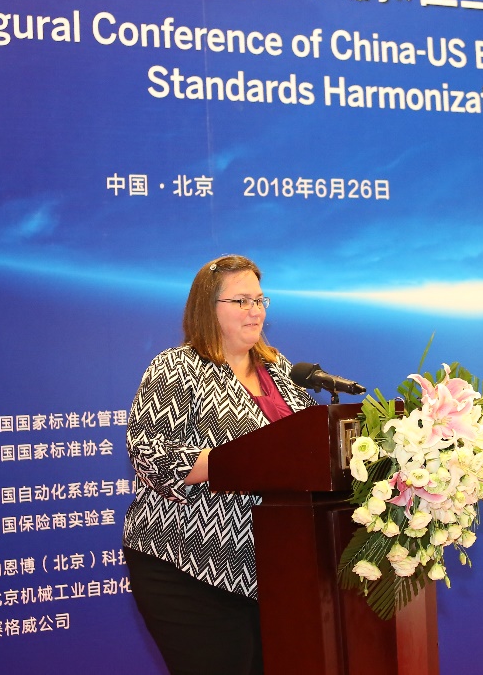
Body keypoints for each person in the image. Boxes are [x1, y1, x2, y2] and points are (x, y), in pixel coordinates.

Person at [122, 255, 317, 675]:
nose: (255, 310)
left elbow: (310, 447)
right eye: (241, 301)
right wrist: (250, 456)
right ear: (208, 307)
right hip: (187, 565)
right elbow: (151, 455)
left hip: (272, 566)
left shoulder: (280, 369)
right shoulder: (177, 368)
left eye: (259, 300)